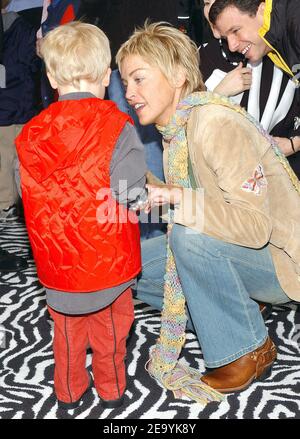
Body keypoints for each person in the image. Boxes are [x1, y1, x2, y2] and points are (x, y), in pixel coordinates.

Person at [117, 21, 300, 401]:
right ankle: (235, 298)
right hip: (244, 252)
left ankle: (247, 348)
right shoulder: (176, 132)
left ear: (179, 76)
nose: (129, 93)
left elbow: (254, 228)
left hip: (284, 262)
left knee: (189, 238)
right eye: (125, 82)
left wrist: (176, 198)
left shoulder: (216, 122)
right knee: (129, 264)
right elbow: (197, 195)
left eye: (139, 79)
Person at [15, 21, 147, 410]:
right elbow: (130, 193)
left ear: (52, 75)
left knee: (67, 334)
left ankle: (69, 393)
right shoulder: (117, 127)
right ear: (107, 76)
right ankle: (111, 389)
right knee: (111, 330)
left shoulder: (29, 134)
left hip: (58, 268)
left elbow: (24, 192)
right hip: (110, 264)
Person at [76, 0, 179, 239]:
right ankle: (146, 235)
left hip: (156, 50)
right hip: (123, 55)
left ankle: (153, 233)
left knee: (148, 146)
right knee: (134, 149)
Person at [200, 0, 300, 179]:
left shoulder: (294, 23)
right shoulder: (272, 44)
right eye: (226, 37)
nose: (232, 45)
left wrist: (295, 143)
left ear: (261, 10)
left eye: (236, 30)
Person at [0, 0, 40, 272]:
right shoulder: (23, 26)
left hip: (10, 109)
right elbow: (29, 67)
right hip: (19, 109)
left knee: (7, 172)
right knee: (13, 172)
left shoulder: (18, 24)